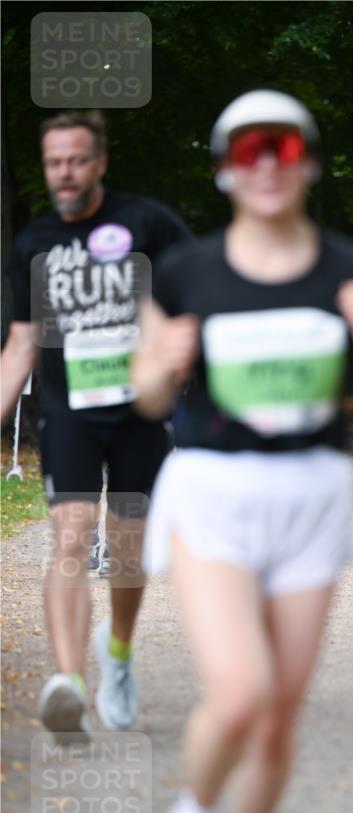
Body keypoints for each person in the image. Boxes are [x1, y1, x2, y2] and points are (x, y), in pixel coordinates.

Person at [132, 89, 353, 813]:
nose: (266, 165)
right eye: (247, 150)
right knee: (240, 693)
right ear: (223, 170)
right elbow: (143, 396)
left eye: (285, 148)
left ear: (311, 164)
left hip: (311, 496)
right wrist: (163, 366)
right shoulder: (182, 273)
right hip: (212, 493)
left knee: (278, 713)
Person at [1, 110, 192, 736]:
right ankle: (68, 683)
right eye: (54, 161)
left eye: (77, 160)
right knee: (70, 537)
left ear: (100, 163)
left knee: (128, 552)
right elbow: (21, 345)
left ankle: (117, 655)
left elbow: (194, 300)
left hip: (140, 414)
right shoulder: (32, 243)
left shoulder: (148, 224)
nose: (64, 172)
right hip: (69, 415)